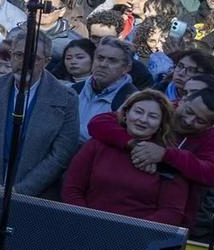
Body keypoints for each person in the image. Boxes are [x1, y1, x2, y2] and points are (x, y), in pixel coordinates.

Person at [62, 91, 197, 226]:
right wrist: (85, 221)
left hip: (138, 238)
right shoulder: (96, 145)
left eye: (152, 116)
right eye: (138, 112)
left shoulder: (167, 159)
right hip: (84, 226)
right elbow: (72, 188)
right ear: (125, 114)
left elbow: (171, 212)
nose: (143, 119)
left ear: (161, 124)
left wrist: (130, 232)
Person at [0, 44, 81, 197]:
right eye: (18, 55)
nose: (23, 62)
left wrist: (21, 190)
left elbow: (61, 153)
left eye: (33, 58)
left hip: (35, 196)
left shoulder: (66, 98)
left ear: (46, 62)